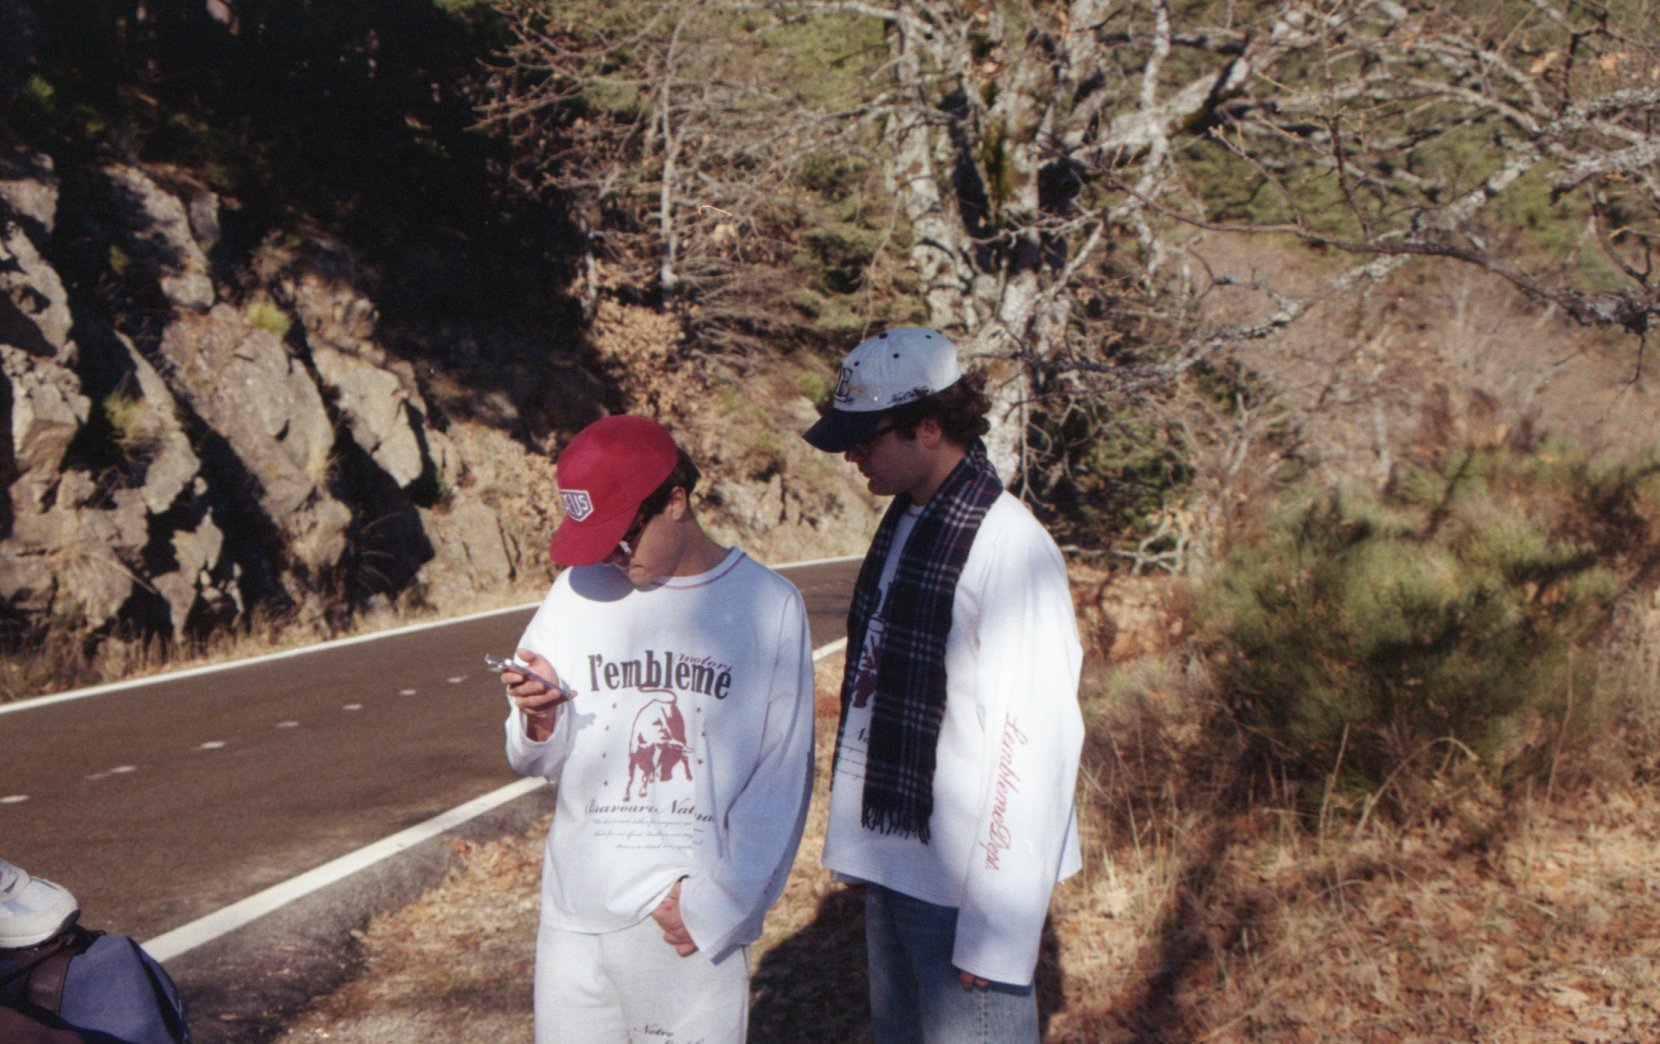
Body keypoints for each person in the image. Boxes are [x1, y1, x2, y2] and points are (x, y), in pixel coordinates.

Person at [802, 328, 1084, 1043]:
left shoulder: (1010, 548)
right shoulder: (909, 523)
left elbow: (1038, 744)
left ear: (929, 426)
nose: (852, 455)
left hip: (964, 886)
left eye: (866, 438)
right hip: (899, 864)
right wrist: (861, 841)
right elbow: (872, 696)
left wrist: (999, 932)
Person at [500, 414, 815, 1044]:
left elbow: (782, 776)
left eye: (621, 539)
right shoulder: (575, 593)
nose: (609, 559)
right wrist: (538, 717)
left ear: (675, 500)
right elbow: (532, 759)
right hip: (572, 918)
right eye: (595, 544)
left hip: (680, 927)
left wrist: (719, 907)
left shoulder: (769, 605)